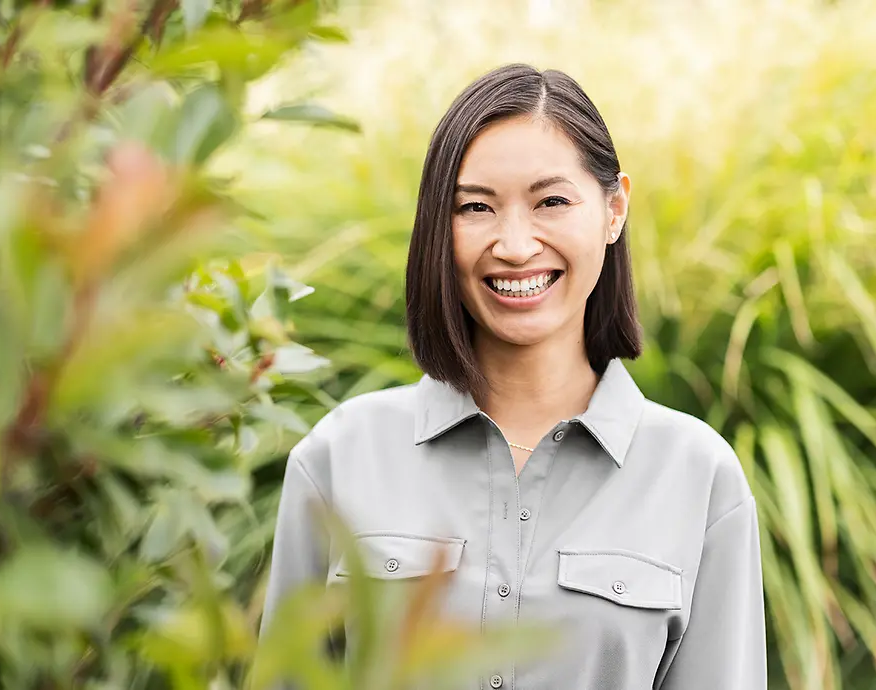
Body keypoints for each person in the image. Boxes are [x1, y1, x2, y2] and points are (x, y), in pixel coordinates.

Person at [259, 63, 766, 690]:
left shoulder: (698, 478)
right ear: (439, 230)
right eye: (476, 207)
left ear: (614, 209)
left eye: (551, 201)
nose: (516, 245)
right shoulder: (340, 458)